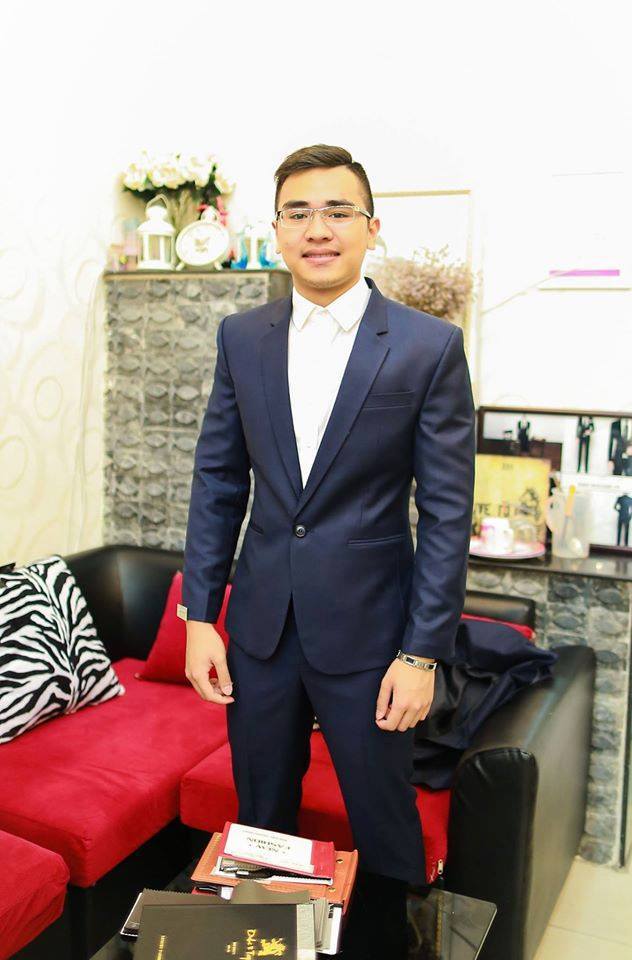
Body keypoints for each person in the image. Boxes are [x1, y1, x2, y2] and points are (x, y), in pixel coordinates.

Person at [181, 144, 476, 958]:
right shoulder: (242, 337)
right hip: (261, 631)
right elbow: (217, 480)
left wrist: (421, 653)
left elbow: (446, 515)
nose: (319, 229)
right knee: (260, 819)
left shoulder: (426, 347)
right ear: (277, 231)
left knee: (382, 822)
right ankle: (269, 945)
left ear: (371, 228)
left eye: (338, 211)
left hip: (373, 640)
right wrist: (200, 616)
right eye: (299, 213)